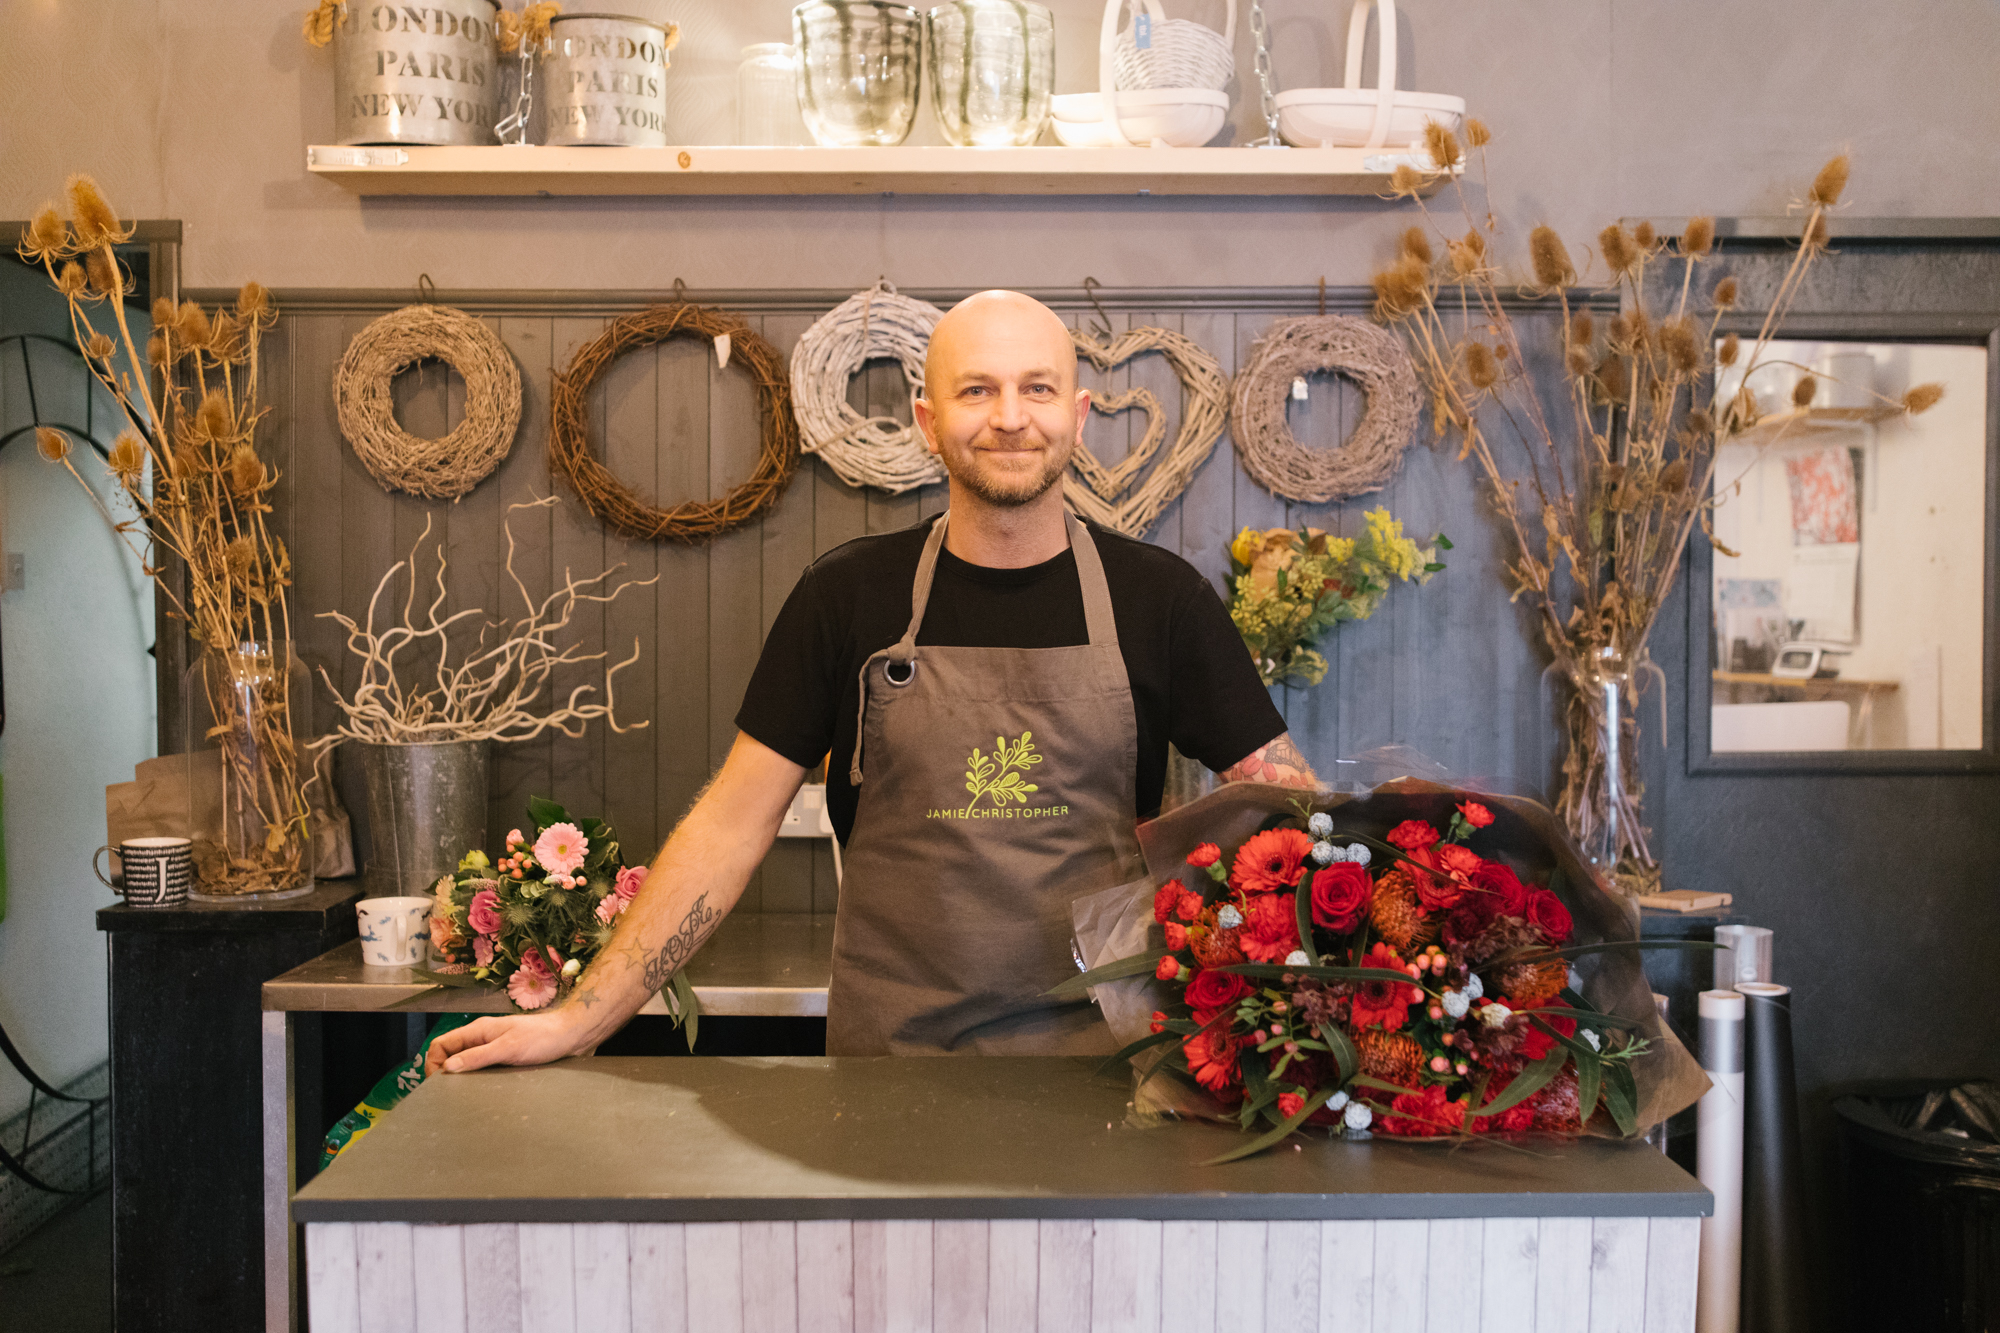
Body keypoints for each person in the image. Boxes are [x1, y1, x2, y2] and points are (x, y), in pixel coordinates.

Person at [427, 290, 1315, 1071]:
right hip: (892, 1063)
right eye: (978, 390)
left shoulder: (1158, 600)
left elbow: (1288, 813)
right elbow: (733, 824)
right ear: (929, 422)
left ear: (1079, 414)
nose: (1011, 416)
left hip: (1105, 1066)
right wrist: (585, 1015)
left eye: (1037, 388)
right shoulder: (848, 595)